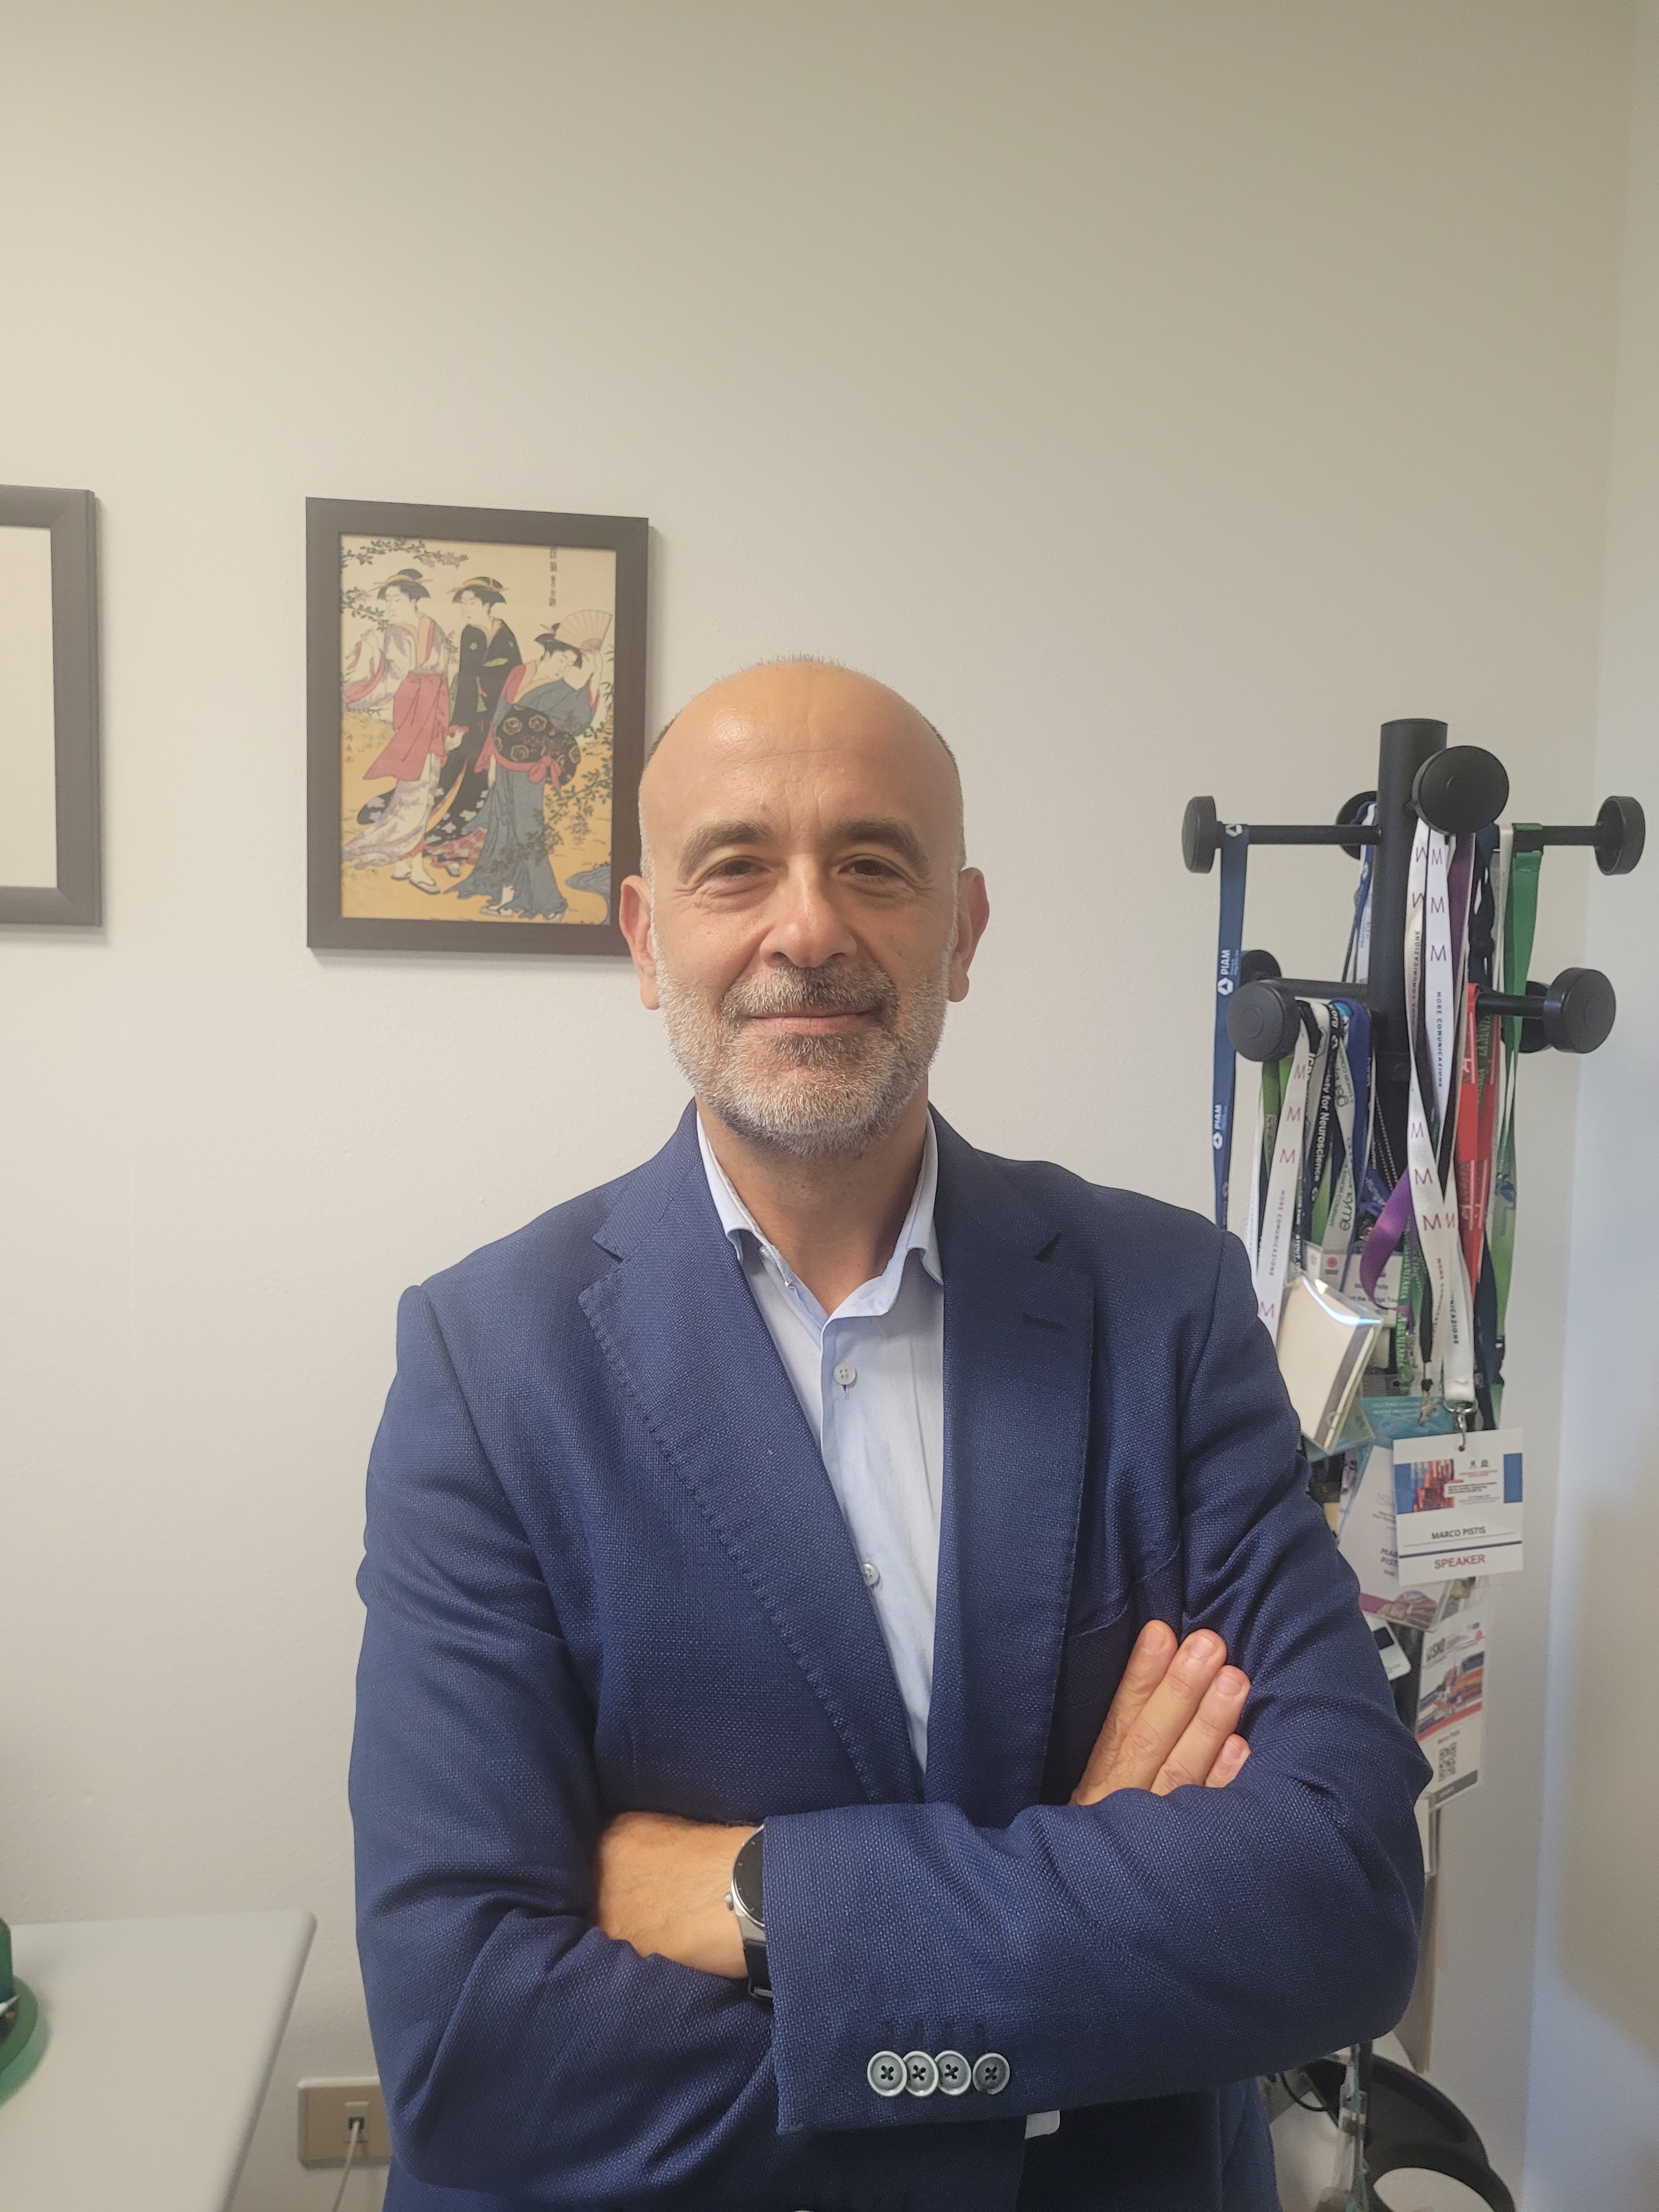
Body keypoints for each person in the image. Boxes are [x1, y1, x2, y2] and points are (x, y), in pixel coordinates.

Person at [352, 661, 1428, 2211]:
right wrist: (1063, 2024)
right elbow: (473, 2050)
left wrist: (758, 1898)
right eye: (736, 867)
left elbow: (1347, 1896)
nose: (808, 928)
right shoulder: (489, 1362)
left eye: (873, 863)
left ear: (962, 932)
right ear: (647, 939)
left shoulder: (1166, 1305)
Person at [452, 632, 599, 919]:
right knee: (503, 824)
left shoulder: (562, 689)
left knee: (528, 831)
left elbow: (578, 723)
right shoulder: (520, 672)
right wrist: (490, 759)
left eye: (570, 664)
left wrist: (596, 674)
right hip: (503, 761)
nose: (563, 668)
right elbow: (499, 715)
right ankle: (509, 894)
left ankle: (550, 903)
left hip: (530, 769)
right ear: (548, 652)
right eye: (561, 660)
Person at [340, 569, 454, 892]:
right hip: (414, 713)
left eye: (396, 600)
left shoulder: (432, 628)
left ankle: (406, 863)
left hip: (432, 712)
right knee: (416, 792)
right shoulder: (398, 631)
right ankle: (414, 865)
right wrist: (362, 686)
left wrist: (447, 723)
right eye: (387, 600)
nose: (390, 606)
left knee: (419, 791)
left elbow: (441, 676)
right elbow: (393, 678)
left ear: (414, 600)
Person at [425, 576, 520, 871]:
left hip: (499, 714)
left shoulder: (505, 633)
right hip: (473, 715)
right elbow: (467, 680)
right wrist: (459, 727)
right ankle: (440, 835)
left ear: (488, 604)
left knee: (483, 779)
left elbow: (516, 673)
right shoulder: (471, 633)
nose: (466, 608)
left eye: (472, 602)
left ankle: (465, 842)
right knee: (456, 771)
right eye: (463, 603)